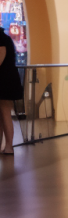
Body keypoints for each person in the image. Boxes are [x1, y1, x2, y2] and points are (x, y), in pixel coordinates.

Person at [0, 25, 24, 155]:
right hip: (7, 81)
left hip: (4, 82)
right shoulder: (5, 39)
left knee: (4, 114)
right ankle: (6, 145)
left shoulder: (1, 40)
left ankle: (9, 145)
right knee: (3, 115)